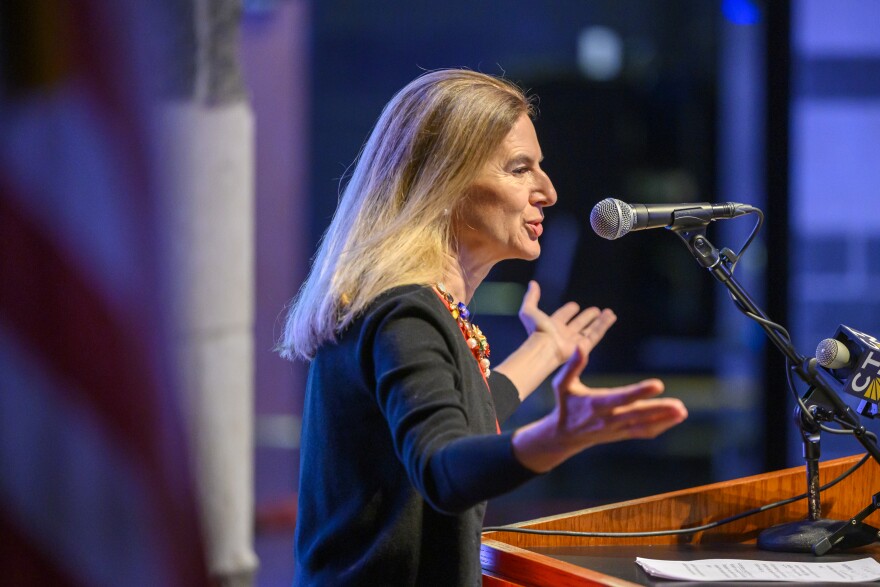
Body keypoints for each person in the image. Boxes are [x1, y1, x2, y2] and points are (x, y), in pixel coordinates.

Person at [278, 69, 688, 586]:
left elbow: (462, 417)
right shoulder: (403, 311)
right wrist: (556, 437)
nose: (549, 191)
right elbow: (443, 467)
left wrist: (545, 350)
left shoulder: (413, 307)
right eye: (521, 170)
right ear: (444, 182)